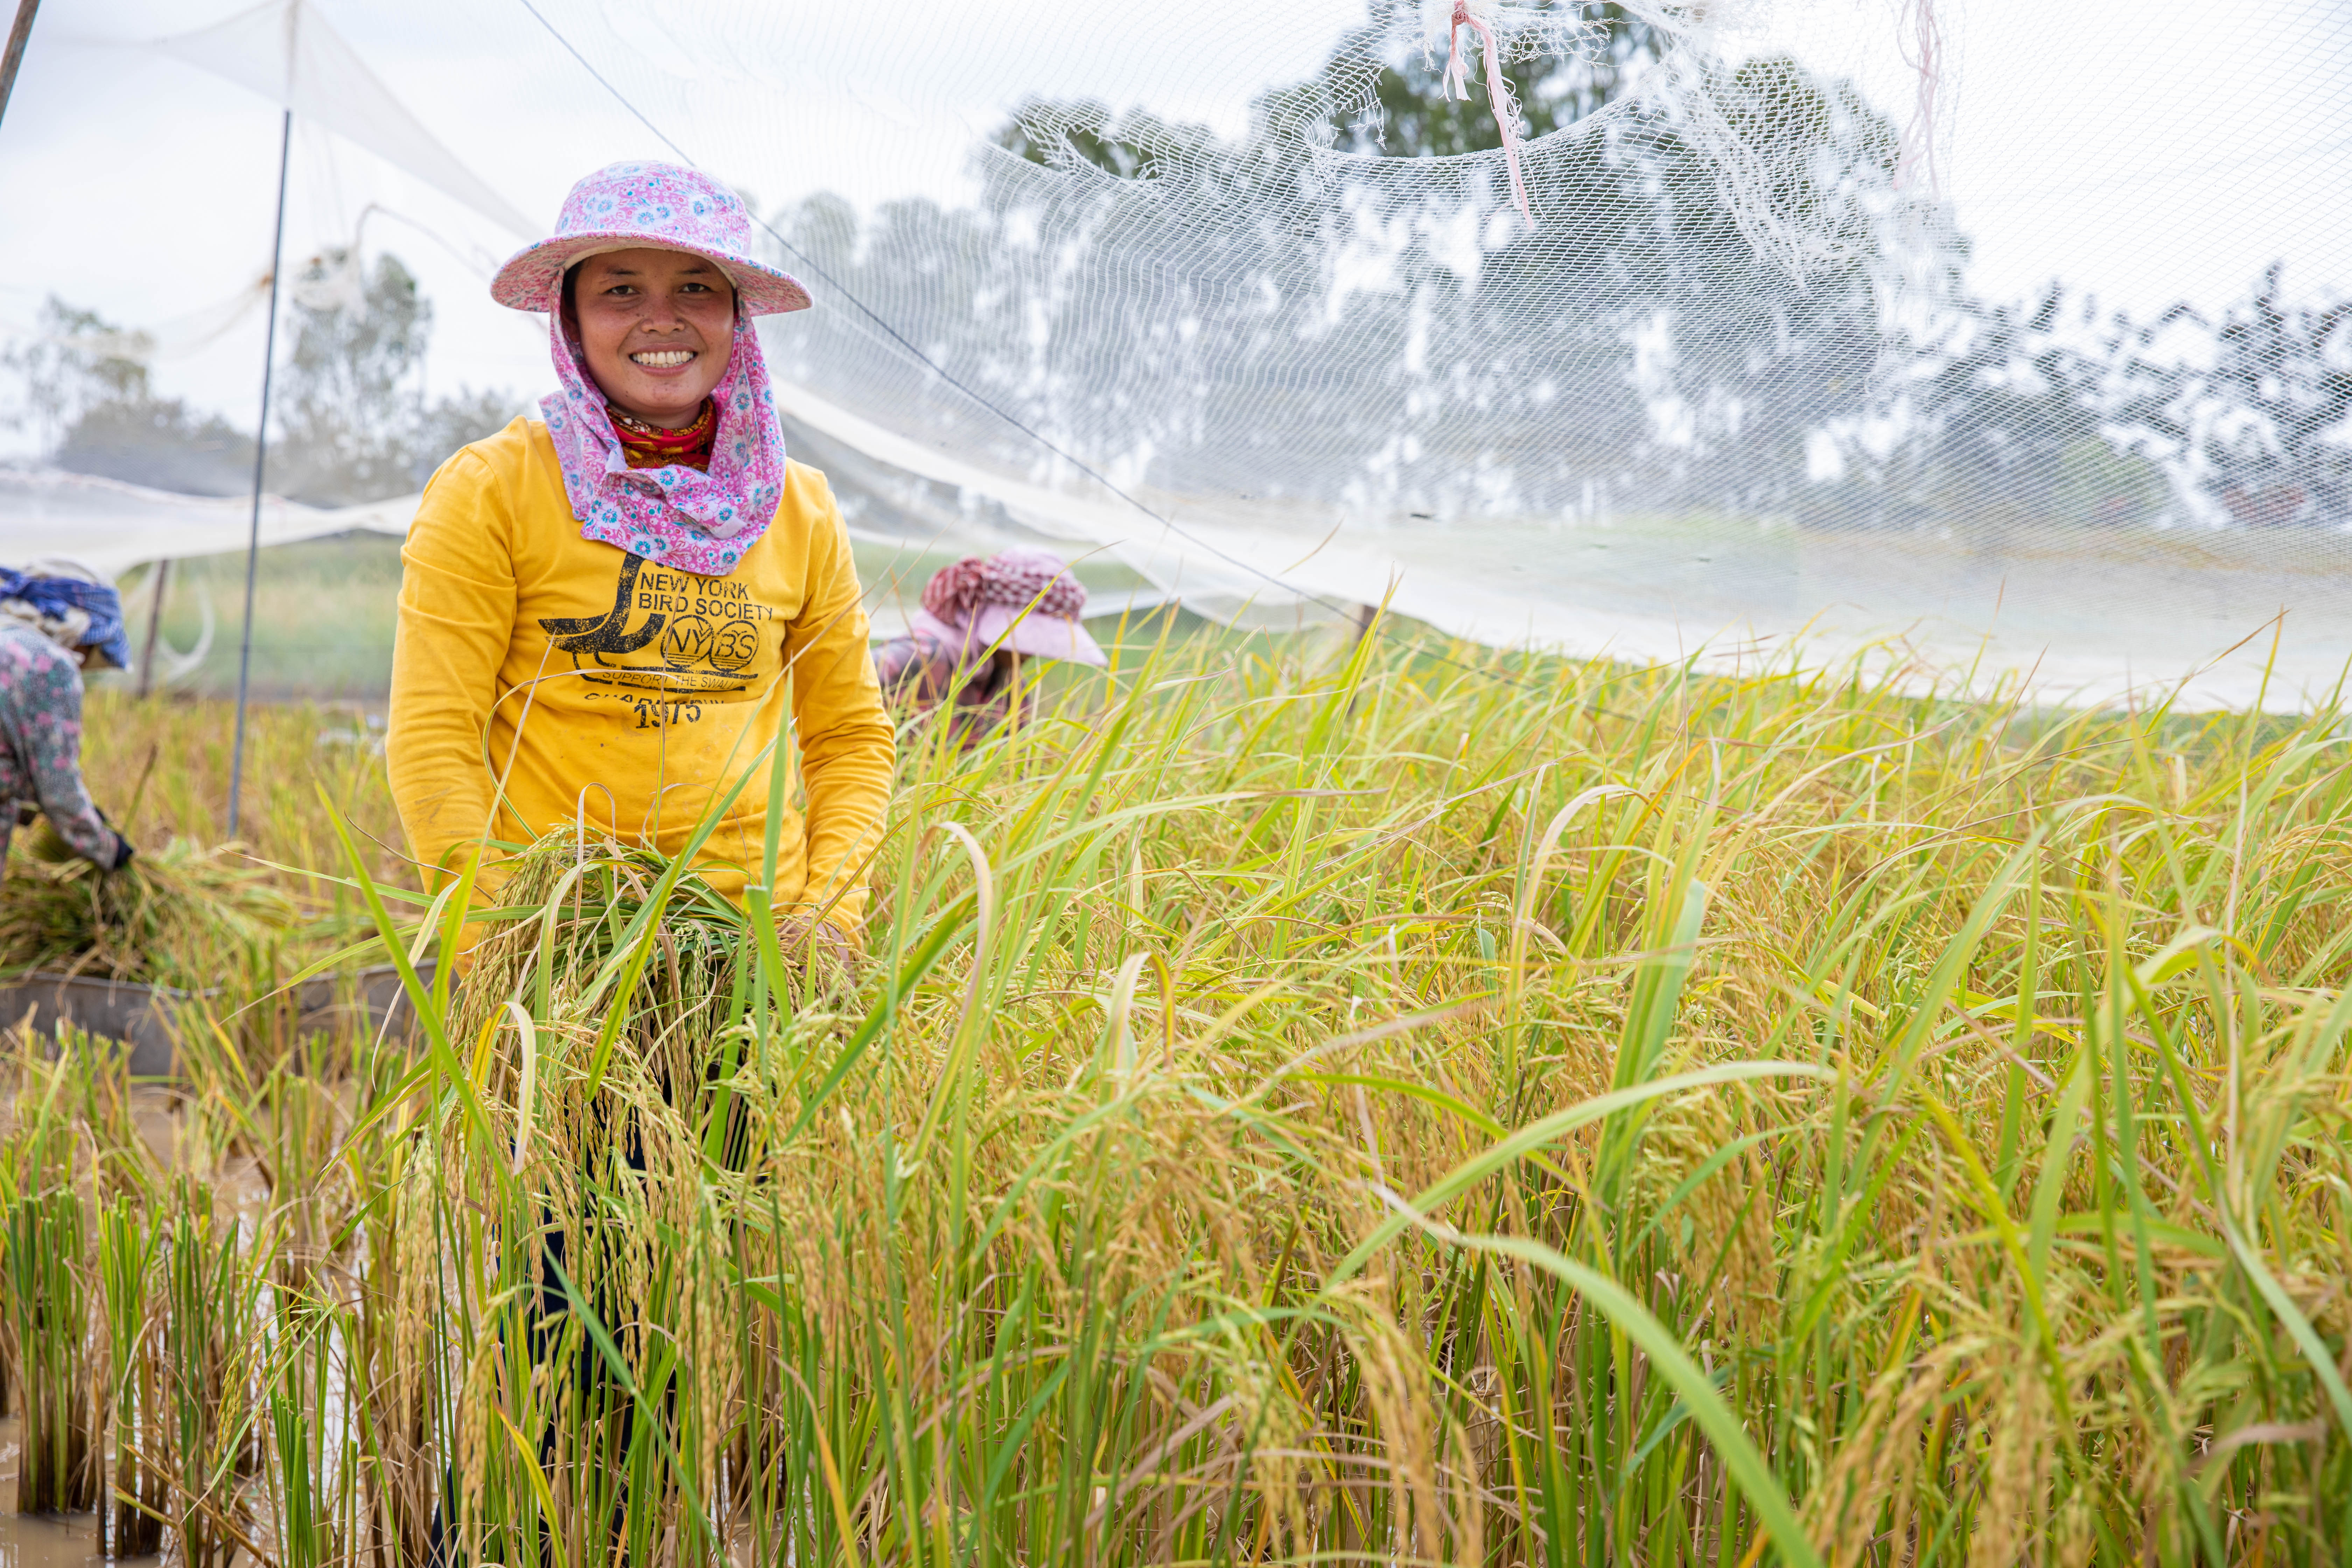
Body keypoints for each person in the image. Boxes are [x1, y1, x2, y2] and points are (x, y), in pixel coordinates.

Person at [386, 161, 895, 962]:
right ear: (572, 319)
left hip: (757, 954)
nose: (663, 320)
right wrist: (503, 940)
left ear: (735, 318)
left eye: (697, 289)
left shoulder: (800, 508)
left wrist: (825, 919)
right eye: (620, 291)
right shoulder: (493, 490)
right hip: (553, 944)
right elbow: (433, 736)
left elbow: (850, 737)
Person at [873, 550, 1106, 746]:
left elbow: (1012, 772)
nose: (1032, 652)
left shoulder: (1010, 687)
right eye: (1030, 638)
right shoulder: (914, 660)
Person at [0, 562, 136, 872]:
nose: (87, 660)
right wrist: (106, 847)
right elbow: (58, 789)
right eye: (95, 647)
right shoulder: (48, 663)